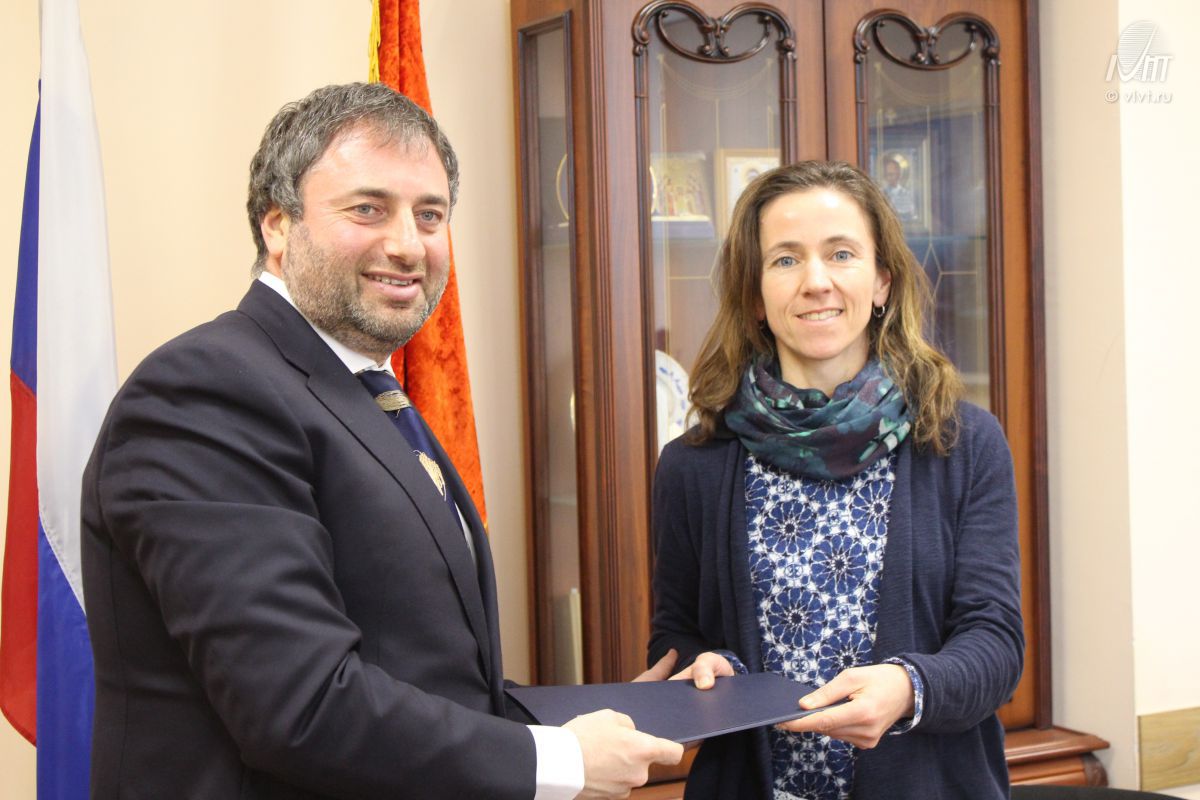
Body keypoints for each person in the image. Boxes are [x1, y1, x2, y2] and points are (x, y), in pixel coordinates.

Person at [80, 82, 682, 800]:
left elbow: (427, 674)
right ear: (277, 225)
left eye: (430, 215)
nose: (407, 245)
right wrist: (563, 761)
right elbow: (301, 706)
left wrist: (620, 715)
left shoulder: (362, 390)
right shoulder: (207, 391)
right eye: (368, 209)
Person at [648, 160, 1023, 799]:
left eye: (841, 254)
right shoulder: (693, 465)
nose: (815, 282)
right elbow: (676, 636)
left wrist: (908, 688)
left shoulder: (962, 442)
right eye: (785, 260)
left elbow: (996, 642)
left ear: (882, 282)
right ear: (754, 295)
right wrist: (704, 668)